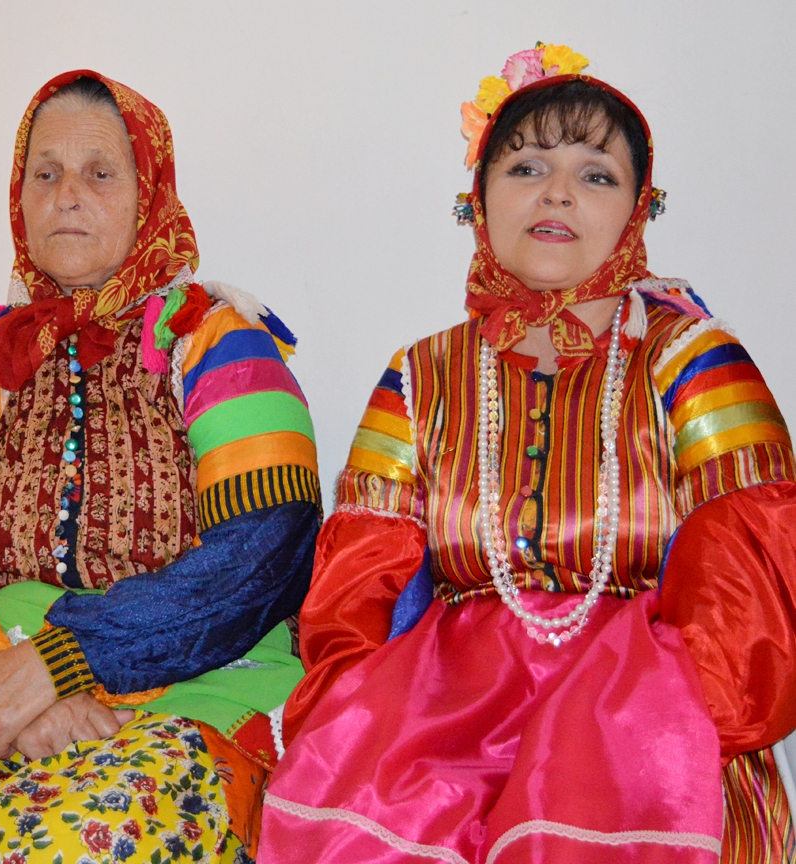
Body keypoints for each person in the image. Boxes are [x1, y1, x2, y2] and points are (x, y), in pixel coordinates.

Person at [261, 45, 796, 863]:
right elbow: (354, 597)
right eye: (527, 167)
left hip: (654, 737)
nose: (556, 192)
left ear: (638, 212)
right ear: (477, 201)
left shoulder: (692, 357)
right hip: (437, 739)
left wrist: (666, 725)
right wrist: (362, 728)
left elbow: (755, 579)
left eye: (595, 174)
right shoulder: (420, 374)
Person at [0, 71, 320, 864]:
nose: (67, 195)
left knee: (106, 831)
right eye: (45, 174)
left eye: (99, 173)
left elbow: (265, 552)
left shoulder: (216, 340)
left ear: (149, 195)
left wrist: (63, 660)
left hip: (184, 675)